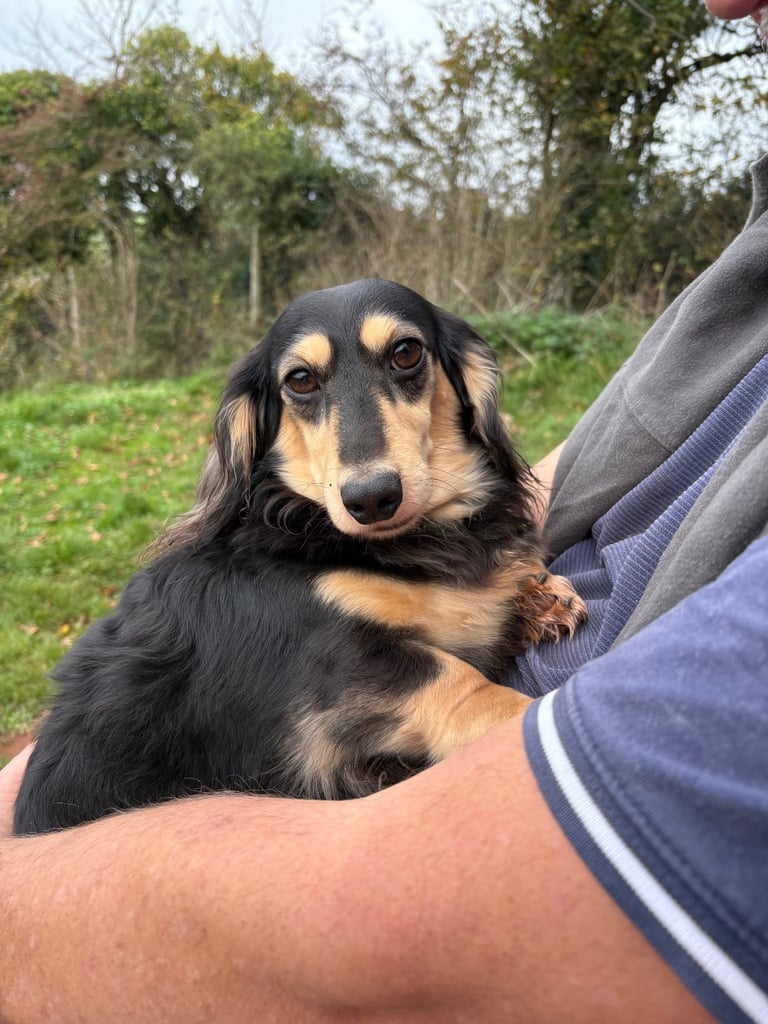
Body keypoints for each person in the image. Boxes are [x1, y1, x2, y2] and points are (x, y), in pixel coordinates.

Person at [1, 1, 767, 1020]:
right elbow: (382, 668)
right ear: (256, 434)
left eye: (402, 361)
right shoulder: (273, 582)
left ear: (462, 383)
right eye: (307, 388)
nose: (365, 459)